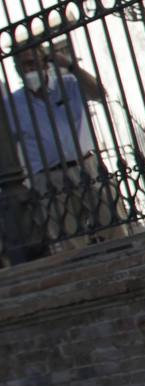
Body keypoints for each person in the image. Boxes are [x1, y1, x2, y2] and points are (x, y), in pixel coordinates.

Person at [4, 41, 108, 257]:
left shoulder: (68, 84)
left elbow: (99, 93)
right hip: (48, 179)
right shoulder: (13, 103)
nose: (28, 70)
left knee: (112, 225)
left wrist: (70, 66)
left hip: (85, 166)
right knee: (70, 244)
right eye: (22, 66)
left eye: (32, 63)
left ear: (45, 62)